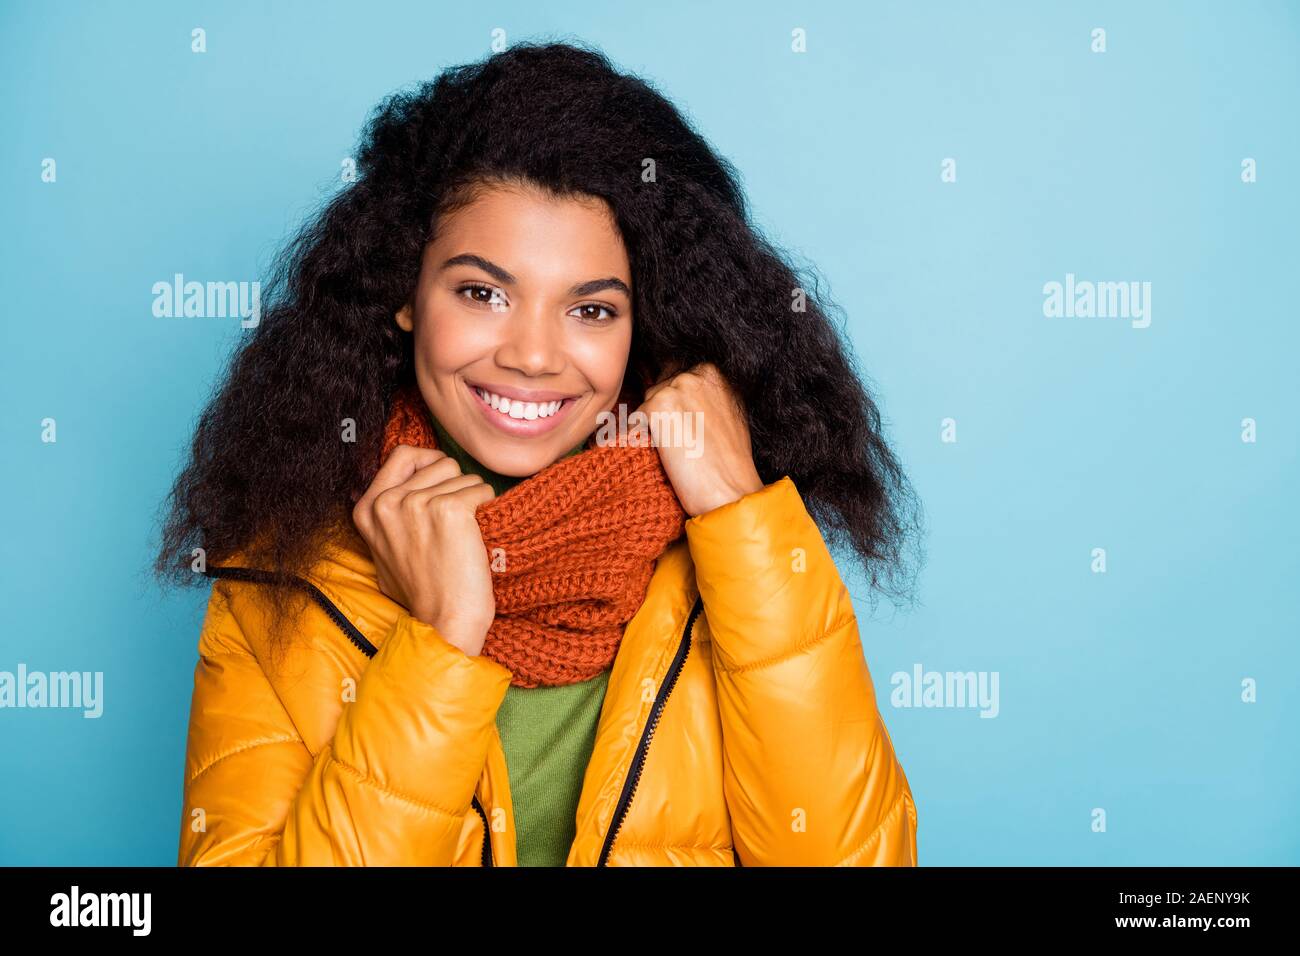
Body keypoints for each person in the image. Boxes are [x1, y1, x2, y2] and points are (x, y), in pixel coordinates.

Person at [157, 40, 924, 866]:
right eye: (483, 293)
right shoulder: (280, 582)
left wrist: (744, 521)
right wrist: (442, 642)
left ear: (643, 326)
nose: (532, 355)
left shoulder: (733, 549)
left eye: (590, 310)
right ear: (404, 296)